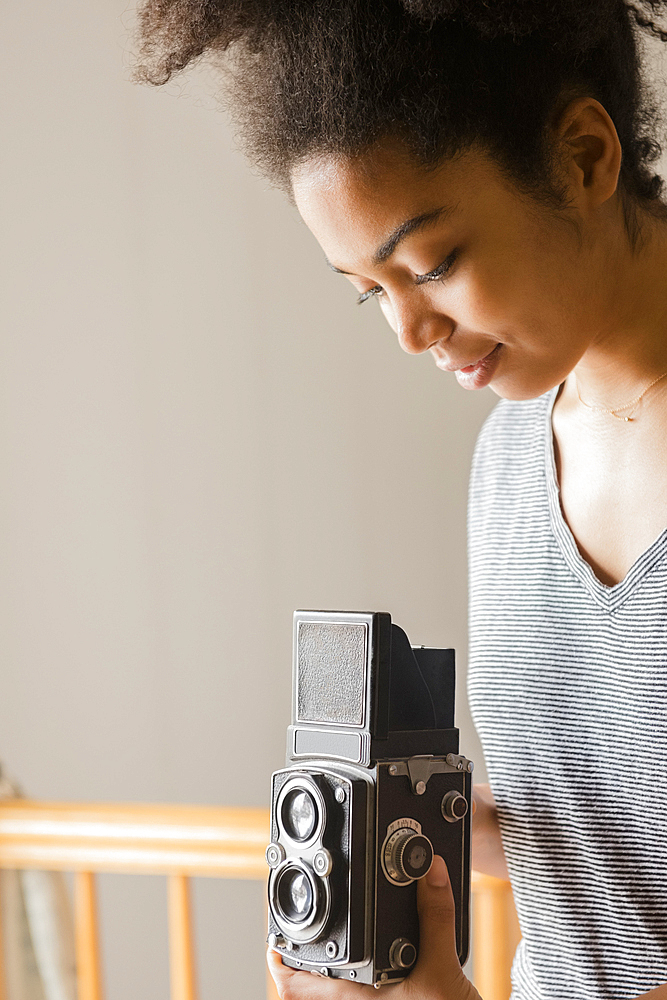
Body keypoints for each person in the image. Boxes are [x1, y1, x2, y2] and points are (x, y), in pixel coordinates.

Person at [135, 2, 667, 997]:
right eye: (368, 290)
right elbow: (603, 834)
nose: (409, 330)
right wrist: (383, 852)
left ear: (583, 156)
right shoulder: (510, 460)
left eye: (432, 264)